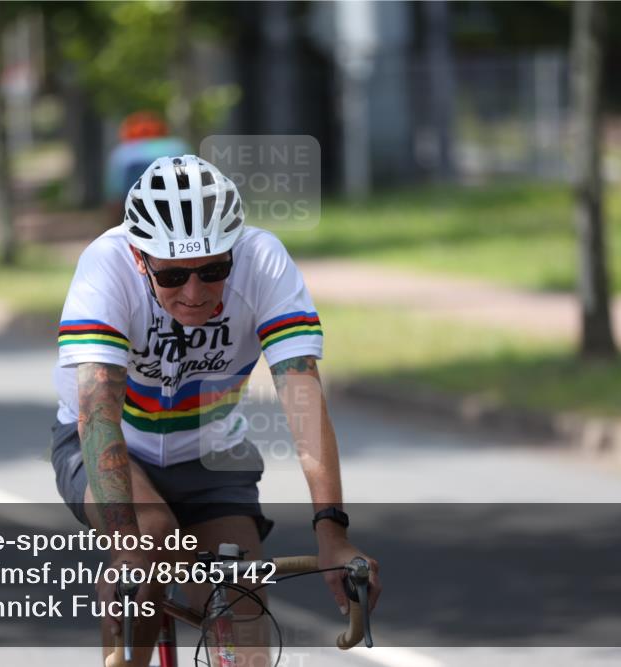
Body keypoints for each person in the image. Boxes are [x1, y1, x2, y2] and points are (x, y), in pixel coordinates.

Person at [51, 155, 381, 665]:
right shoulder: (107, 264)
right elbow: (98, 418)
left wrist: (331, 530)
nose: (194, 293)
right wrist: (126, 547)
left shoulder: (263, 260)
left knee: (240, 603)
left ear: (233, 249)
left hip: (211, 451)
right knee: (151, 543)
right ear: (141, 259)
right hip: (113, 447)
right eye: (172, 275)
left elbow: (303, 401)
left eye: (212, 270)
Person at [103, 112, 190, 226]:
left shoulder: (123, 153)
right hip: (178, 205)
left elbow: (114, 193)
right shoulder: (178, 147)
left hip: (134, 207)